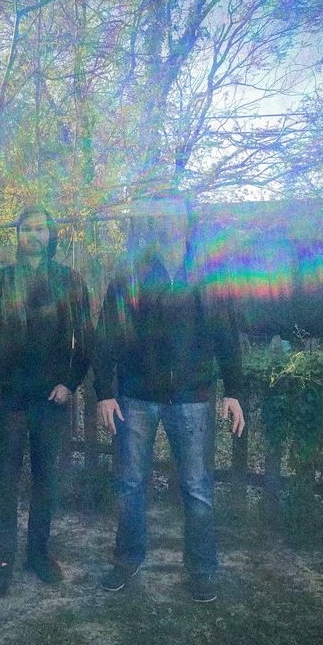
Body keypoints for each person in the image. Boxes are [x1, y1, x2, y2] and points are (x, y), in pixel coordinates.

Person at [93, 189, 245, 603]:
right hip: (137, 396)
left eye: (174, 213)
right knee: (130, 484)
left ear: (186, 218)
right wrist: (104, 392)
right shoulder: (132, 271)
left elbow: (226, 332)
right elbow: (107, 332)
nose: (166, 220)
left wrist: (234, 390)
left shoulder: (206, 272)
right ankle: (127, 560)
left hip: (193, 396)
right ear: (150, 220)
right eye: (159, 214)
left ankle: (202, 569)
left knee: (197, 488)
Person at [0, 206, 93, 597]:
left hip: (50, 398)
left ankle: (39, 554)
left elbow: (85, 337)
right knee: (5, 480)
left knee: (46, 478)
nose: (34, 235)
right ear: (17, 234)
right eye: (27, 228)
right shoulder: (1, 281)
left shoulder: (69, 281)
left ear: (51, 234)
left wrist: (70, 382)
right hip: (10, 399)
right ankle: (2, 561)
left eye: (41, 228)